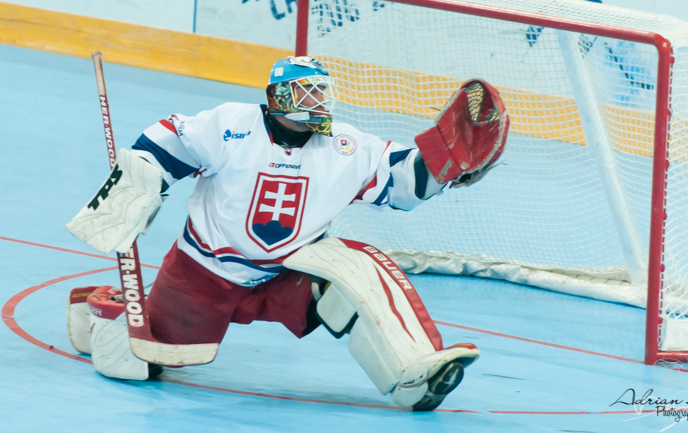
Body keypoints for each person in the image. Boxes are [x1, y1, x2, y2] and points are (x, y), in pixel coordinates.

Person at [65, 56, 508, 411]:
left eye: (321, 91)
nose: (317, 101)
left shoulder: (345, 146)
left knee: (358, 267)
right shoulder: (230, 124)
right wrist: (140, 179)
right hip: (200, 275)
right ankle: (100, 309)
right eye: (305, 92)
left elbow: (403, 178)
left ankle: (415, 373)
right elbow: (171, 139)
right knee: (136, 363)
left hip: (286, 275)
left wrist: (444, 166)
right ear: (276, 97)